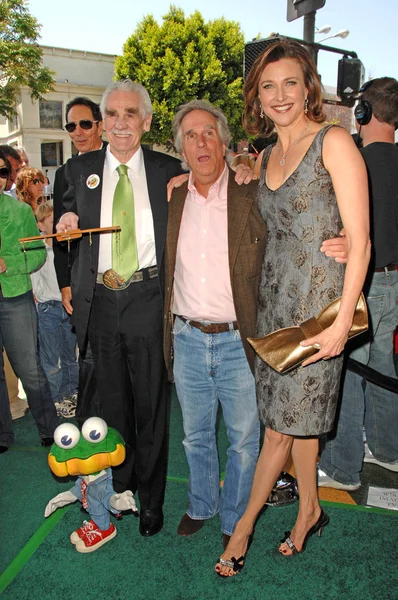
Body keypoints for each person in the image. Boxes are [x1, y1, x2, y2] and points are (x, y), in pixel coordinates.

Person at [216, 39, 370, 576]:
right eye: (267, 86)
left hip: (320, 310)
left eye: (289, 83)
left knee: (279, 430)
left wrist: (341, 325)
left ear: (308, 87)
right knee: (296, 421)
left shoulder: (335, 143)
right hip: (276, 301)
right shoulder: (264, 154)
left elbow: (363, 241)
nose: (280, 95)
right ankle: (309, 509)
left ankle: (242, 530)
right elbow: (258, 203)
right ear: (256, 97)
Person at [55, 80, 184, 536]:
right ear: (104, 122)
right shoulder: (78, 168)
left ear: (146, 122)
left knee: (151, 406)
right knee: (111, 407)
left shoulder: (171, 170)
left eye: (131, 114)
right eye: (113, 114)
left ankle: (151, 501)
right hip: (102, 302)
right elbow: (66, 220)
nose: (121, 122)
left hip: (150, 298)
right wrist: (67, 222)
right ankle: (118, 487)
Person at [163, 100, 267, 545]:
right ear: (181, 149)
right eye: (190, 135)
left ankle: (235, 520)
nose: (201, 142)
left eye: (209, 132)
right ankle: (201, 505)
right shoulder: (173, 197)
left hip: (237, 339)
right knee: (195, 436)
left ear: (224, 141)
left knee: (244, 440)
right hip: (186, 336)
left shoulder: (252, 192)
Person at [318, 77, 398, 489]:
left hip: (365, 283)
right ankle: (386, 450)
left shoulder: (356, 162)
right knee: (382, 365)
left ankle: (342, 467)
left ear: (363, 112)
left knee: (348, 370)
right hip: (394, 283)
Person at [0, 149, 58, 452]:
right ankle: (2, 435)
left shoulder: (21, 212)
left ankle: (49, 428)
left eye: (1, 171)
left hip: (15, 297)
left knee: (30, 368)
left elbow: (36, 254)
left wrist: (8, 263)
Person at [53, 96, 105, 422]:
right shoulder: (65, 172)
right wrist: (65, 283)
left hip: (122, 281)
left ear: (99, 124)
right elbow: (62, 235)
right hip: (83, 283)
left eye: (85, 123)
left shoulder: (118, 162)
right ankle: (90, 436)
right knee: (87, 360)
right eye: (71, 126)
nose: (78, 131)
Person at [31, 201, 79, 417]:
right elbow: (34, 278)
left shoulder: (68, 247)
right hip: (48, 309)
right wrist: (41, 300)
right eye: (52, 222)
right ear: (41, 226)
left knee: (70, 355)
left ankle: (72, 392)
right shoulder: (38, 248)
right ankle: (56, 398)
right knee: (51, 359)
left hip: (67, 307)